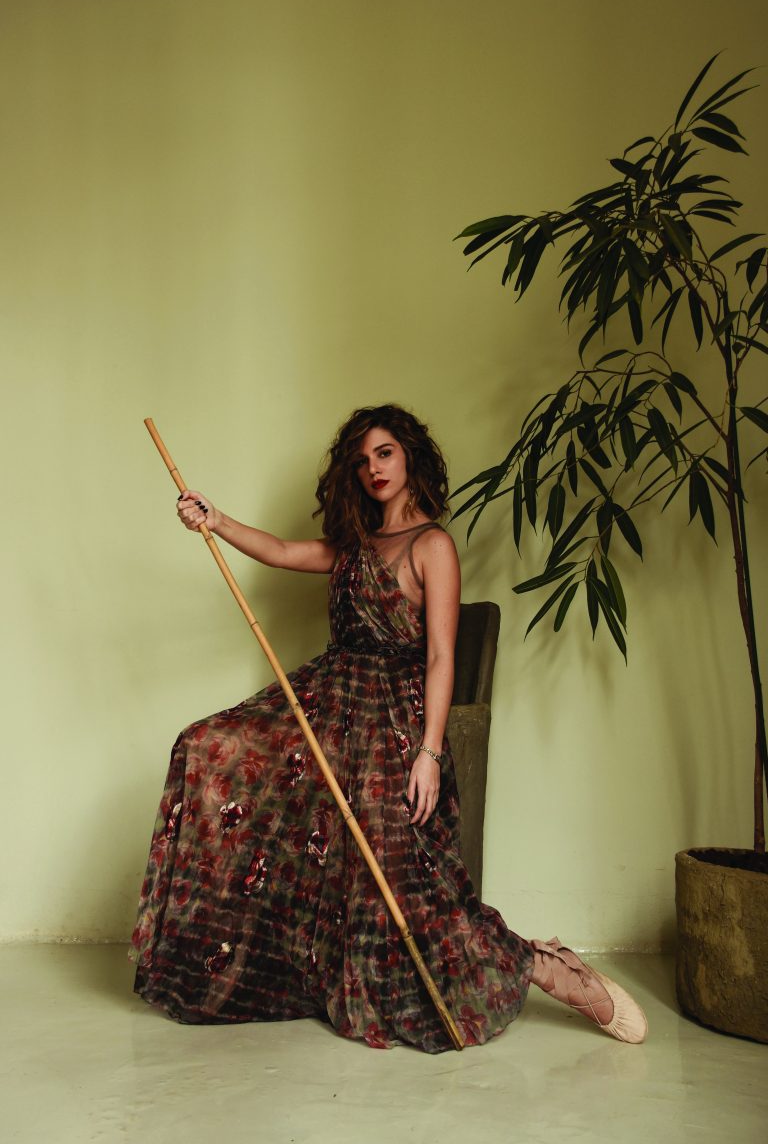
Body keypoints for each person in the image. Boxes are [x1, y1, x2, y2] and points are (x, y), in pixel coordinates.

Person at [132, 404, 647, 1052]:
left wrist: (428, 753)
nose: (373, 468)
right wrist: (215, 519)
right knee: (205, 746)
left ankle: (543, 964)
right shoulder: (354, 544)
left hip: (391, 716)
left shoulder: (433, 545)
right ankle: (269, 960)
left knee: (398, 863)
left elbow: (440, 656)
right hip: (329, 699)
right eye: (362, 460)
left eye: (384, 453)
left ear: (409, 456)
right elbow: (283, 551)